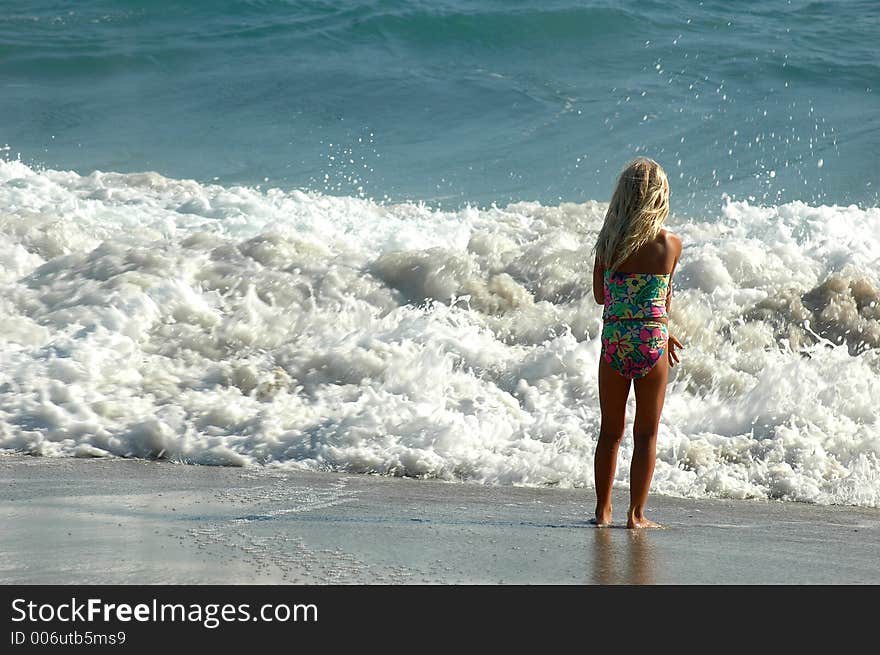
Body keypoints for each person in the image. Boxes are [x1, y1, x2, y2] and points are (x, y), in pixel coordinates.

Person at [591, 158, 683, 529]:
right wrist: (659, 328)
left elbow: (601, 297)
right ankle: (636, 515)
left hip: (615, 340)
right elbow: (662, 302)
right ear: (660, 196)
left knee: (610, 431)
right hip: (652, 342)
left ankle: (602, 512)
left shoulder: (608, 243)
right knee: (646, 433)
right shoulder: (670, 243)